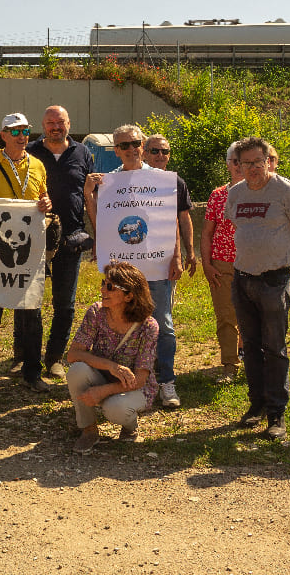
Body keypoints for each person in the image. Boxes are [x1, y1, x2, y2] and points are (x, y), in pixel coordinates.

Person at [84, 124, 185, 409]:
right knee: (123, 322)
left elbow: (171, 221)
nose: (130, 150)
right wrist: (89, 194)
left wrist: (177, 255)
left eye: (135, 144)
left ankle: (166, 381)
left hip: (156, 265)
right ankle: (126, 382)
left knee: (163, 324)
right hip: (123, 269)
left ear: (143, 146)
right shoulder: (109, 181)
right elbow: (100, 224)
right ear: (115, 150)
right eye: (123, 145)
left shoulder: (162, 179)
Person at [224, 137, 290, 441]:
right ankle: (256, 405)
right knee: (250, 346)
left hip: (274, 280)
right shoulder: (235, 194)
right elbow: (242, 229)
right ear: (237, 165)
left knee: (274, 348)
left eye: (257, 162)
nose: (252, 168)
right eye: (245, 163)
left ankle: (276, 414)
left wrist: (280, 263)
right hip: (242, 278)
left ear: (268, 161)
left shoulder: (285, 190)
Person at [0, 112, 53, 395]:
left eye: (26, 131)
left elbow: (44, 200)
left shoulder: (39, 166)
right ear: (3, 134)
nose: (22, 136)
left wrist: (46, 203)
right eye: (15, 131)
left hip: (29, 254)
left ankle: (32, 373)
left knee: (32, 315)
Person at [27, 105, 94, 379]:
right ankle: (25, 355)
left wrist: (99, 232)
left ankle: (54, 357)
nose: (56, 126)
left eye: (61, 122)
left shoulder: (83, 153)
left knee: (64, 304)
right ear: (43, 125)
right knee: (29, 301)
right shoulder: (29, 151)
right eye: (50, 122)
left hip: (71, 238)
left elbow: (90, 193)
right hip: (33, 237)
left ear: (69, 124)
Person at [66, 262, 159, 453]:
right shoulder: (96, 312)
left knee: (115, 407)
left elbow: (141, 380)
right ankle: (89, 430)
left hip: (135, 387)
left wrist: (102, 391)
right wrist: (110, 366)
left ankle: (130, 427)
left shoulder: (148, 326)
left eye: (110, 287)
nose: (102, 290)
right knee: (77, 371)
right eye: (103, 283)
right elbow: (73, 354)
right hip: (102, 376)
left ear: (129, 295)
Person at [202, 142, 245, 384]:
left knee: (255, 315)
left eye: (244, 160)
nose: (239, 165)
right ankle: (230, 364)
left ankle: (255, 361)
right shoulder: (218, 195)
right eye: (235, 160)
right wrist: (208, 264)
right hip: (222, 264)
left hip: (254, 263)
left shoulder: (262, 192)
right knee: (226, 316)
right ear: (228, 164)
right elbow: (207, 233)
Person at [145, 134, 197, 275]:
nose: (160, 155)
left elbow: (184, 218)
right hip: (137, 252)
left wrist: (190, 252)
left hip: (167, 255)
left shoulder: (177, 182)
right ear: (145, 154)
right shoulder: (131, 180)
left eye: (165, 151)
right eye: (155, 151)